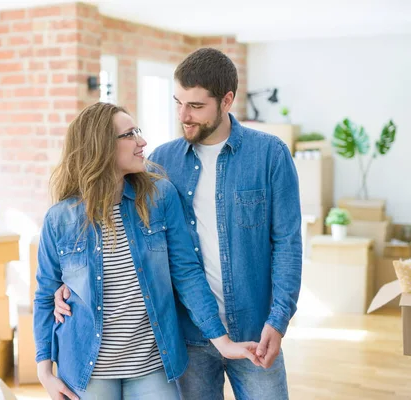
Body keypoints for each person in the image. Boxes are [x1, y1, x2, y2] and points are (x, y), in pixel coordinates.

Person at [53, 48, 302, 400]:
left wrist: (278, 320)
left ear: (227, 100)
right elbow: (113, 232)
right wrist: (65, 284)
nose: (184, 116)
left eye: (196, 106)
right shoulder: (160, 162)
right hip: (188, 337)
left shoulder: (270, 154)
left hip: (255, 330)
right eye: (178, 103)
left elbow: (288, 244)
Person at [33, 102, 261, 400]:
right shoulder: (60, 219)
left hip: (152, 366)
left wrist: (222, 341)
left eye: (137, 131)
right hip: (87, 370)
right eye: (130, 135)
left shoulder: (159, 197)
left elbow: (186, 273)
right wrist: (44, 373)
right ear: (100, 147)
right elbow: (44, 295)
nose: (142, 142)